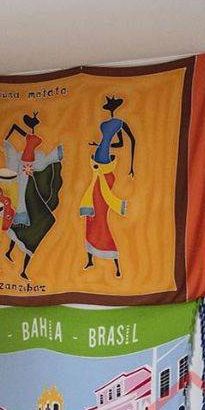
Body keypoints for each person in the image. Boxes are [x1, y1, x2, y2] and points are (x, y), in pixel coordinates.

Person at [81, 96, 136, 276]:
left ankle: (115, 261)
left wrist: (132, 166)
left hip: (105, 174)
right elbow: (115, 143)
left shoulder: (120, 122)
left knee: (100, 216)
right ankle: (90, 259)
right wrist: (98, 145)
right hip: (97, 170)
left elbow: (131, 141)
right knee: (91, 217)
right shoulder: (105, 123)